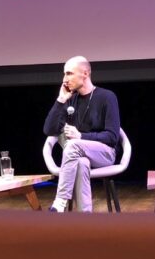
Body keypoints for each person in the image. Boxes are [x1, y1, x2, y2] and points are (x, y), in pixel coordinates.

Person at [43, 56, 121, 212]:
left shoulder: (107, 97)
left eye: (69, 73)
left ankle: (60, 201)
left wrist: (81, 137)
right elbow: (49, 130)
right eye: (64, 74)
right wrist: (61, 100)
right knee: (80, 163)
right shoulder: (70, 99)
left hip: (105, 153)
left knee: (72, 145)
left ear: (85, 74)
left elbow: (112, 137)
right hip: (77, 155)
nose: (65, 79)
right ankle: (85, 218)